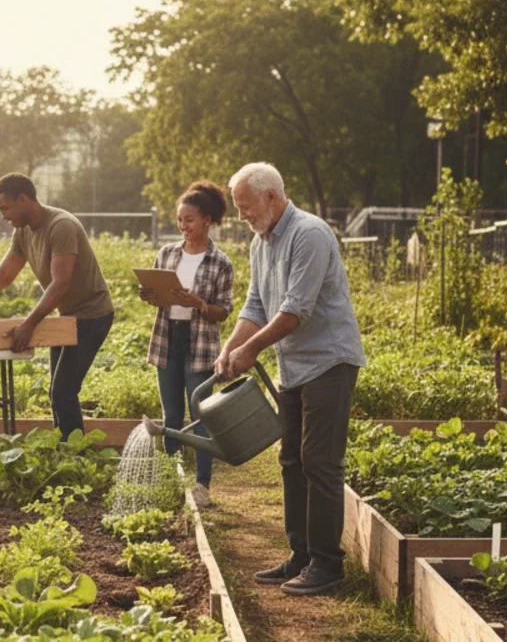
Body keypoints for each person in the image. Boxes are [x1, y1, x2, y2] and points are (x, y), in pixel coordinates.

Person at [215, 162, 365, 597]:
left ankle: (327, 563)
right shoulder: (260, 243)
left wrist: (251, 350)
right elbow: (256, 306)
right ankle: (301, 555)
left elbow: (296, 310)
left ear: (271, 197)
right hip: (294, 367)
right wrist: (231, 348)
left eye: (245, 207)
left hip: (328, 363)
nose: (241, 216)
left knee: (320, 461)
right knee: (291, 461)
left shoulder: (310, 234)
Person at [0, 173, 114, 439]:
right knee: (56, 391)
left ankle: (75, 457)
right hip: (67, 316)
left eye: (5, 208)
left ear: (24, 199)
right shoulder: (22, 231)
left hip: (92, 315)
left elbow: (60, 283)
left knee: (63, 391)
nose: (3, 216)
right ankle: (65, 451)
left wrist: (29, 324)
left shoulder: (60, 226)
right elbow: (4, 275)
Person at [140, 182, 234, 508]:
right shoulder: (167, 253)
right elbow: (161, 299)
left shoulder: (221, 263)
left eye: (190, 220)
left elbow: (222, 311)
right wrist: (151, 294)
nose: (183, 226)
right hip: (168, 338)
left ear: (207, 220)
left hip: (200, 343)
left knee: (201, 415)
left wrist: (198, 303)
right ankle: (174, 479)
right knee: (172, 414)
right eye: (180, 220)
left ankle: (202, 485)